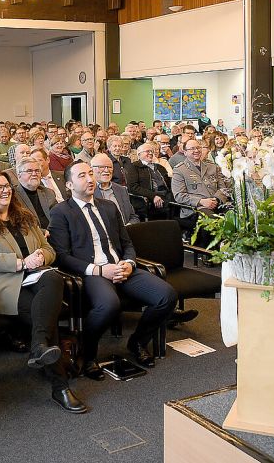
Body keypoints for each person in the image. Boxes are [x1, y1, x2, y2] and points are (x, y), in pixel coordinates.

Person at [0, 172, 88, 414]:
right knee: (45, 316)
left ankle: (40, 346)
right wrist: (22, 262)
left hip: (34, 278)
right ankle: (59, 385)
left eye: (7, 186)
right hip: (1, 284)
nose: (5, 191)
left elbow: (48, 249)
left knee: (52, 276)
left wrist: (42, 257)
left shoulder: (24, 215)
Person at [48, 161, 177, 378]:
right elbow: (62, 256)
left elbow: (127, 244)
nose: (90, 179)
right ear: (69, 184)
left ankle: (137, 342)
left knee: (166, 295)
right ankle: (88, 354)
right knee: (109, 304)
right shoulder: (61, 212)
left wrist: (129, 263)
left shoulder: (108, 206)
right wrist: (100, 271)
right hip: (91, 272)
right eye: (82, 176)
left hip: (120, 267)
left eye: (91, 173)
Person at [171, 138, 230, 235]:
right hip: (195, 209)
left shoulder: (212, 167)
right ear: (185, 152)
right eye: (192, 149)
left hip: (217, 203)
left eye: (198, 147)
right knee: (213, 222)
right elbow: (179, 196)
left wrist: (216, 199)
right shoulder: (180, 170)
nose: (196, 151)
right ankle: (209, 249)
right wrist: (201, 202)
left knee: (234, 216)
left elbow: (223, 188)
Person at [125, 142, 173, 221]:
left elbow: (169, 184)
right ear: (139, 154)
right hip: (148, 199)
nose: (150, 153)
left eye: (152, 151)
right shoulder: (134, 167)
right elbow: (133, 187)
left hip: (167, 196)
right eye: (147, 151)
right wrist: (153, 196)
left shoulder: (160, 167)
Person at [9, 156, 58, 229]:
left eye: (37, 170)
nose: (34, 174)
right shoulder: (13, 196)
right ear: (19, 176)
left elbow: (58, 217)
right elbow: (18, 223)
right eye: (29, 171)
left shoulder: (48, 192)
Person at [90, 153, 139, 225]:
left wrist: (129, 225)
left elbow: (134, 217)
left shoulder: (121, 190)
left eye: (109, 167)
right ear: (91, 170)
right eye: (101, 167)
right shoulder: (88, 192)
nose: (106, 170)